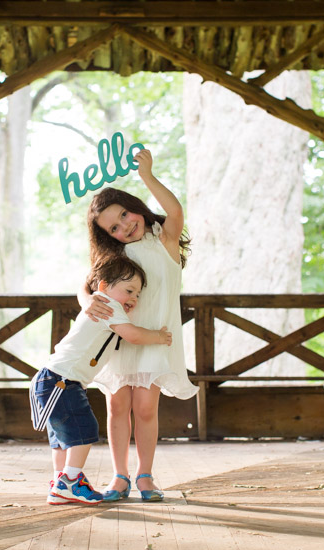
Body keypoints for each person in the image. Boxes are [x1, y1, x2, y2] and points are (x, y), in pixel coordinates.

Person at [80, 148, 197, 503]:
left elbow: (175, 210)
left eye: (125, 215)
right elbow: (87, 287)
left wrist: (147, 174)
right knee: (117, 408)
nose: (125, 227)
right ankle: (119, 477)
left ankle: (145, 474)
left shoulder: (165, 240)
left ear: (135, 206)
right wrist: (87, 303)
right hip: (119, 341)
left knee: (146, 409)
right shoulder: (114, 257)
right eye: (114, 228)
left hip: (154, 340)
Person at [31, 255, 172, 505]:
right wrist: (159, 337)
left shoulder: (104, 305)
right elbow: (132, 335)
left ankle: (59, 484)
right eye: (129, 290)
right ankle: (71, 481)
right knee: (84, 431)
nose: (134, 299)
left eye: (138, 295)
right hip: (62, 382)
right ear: (104, 287)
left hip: (52, 381)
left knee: (62, 438)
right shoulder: (107, 305)